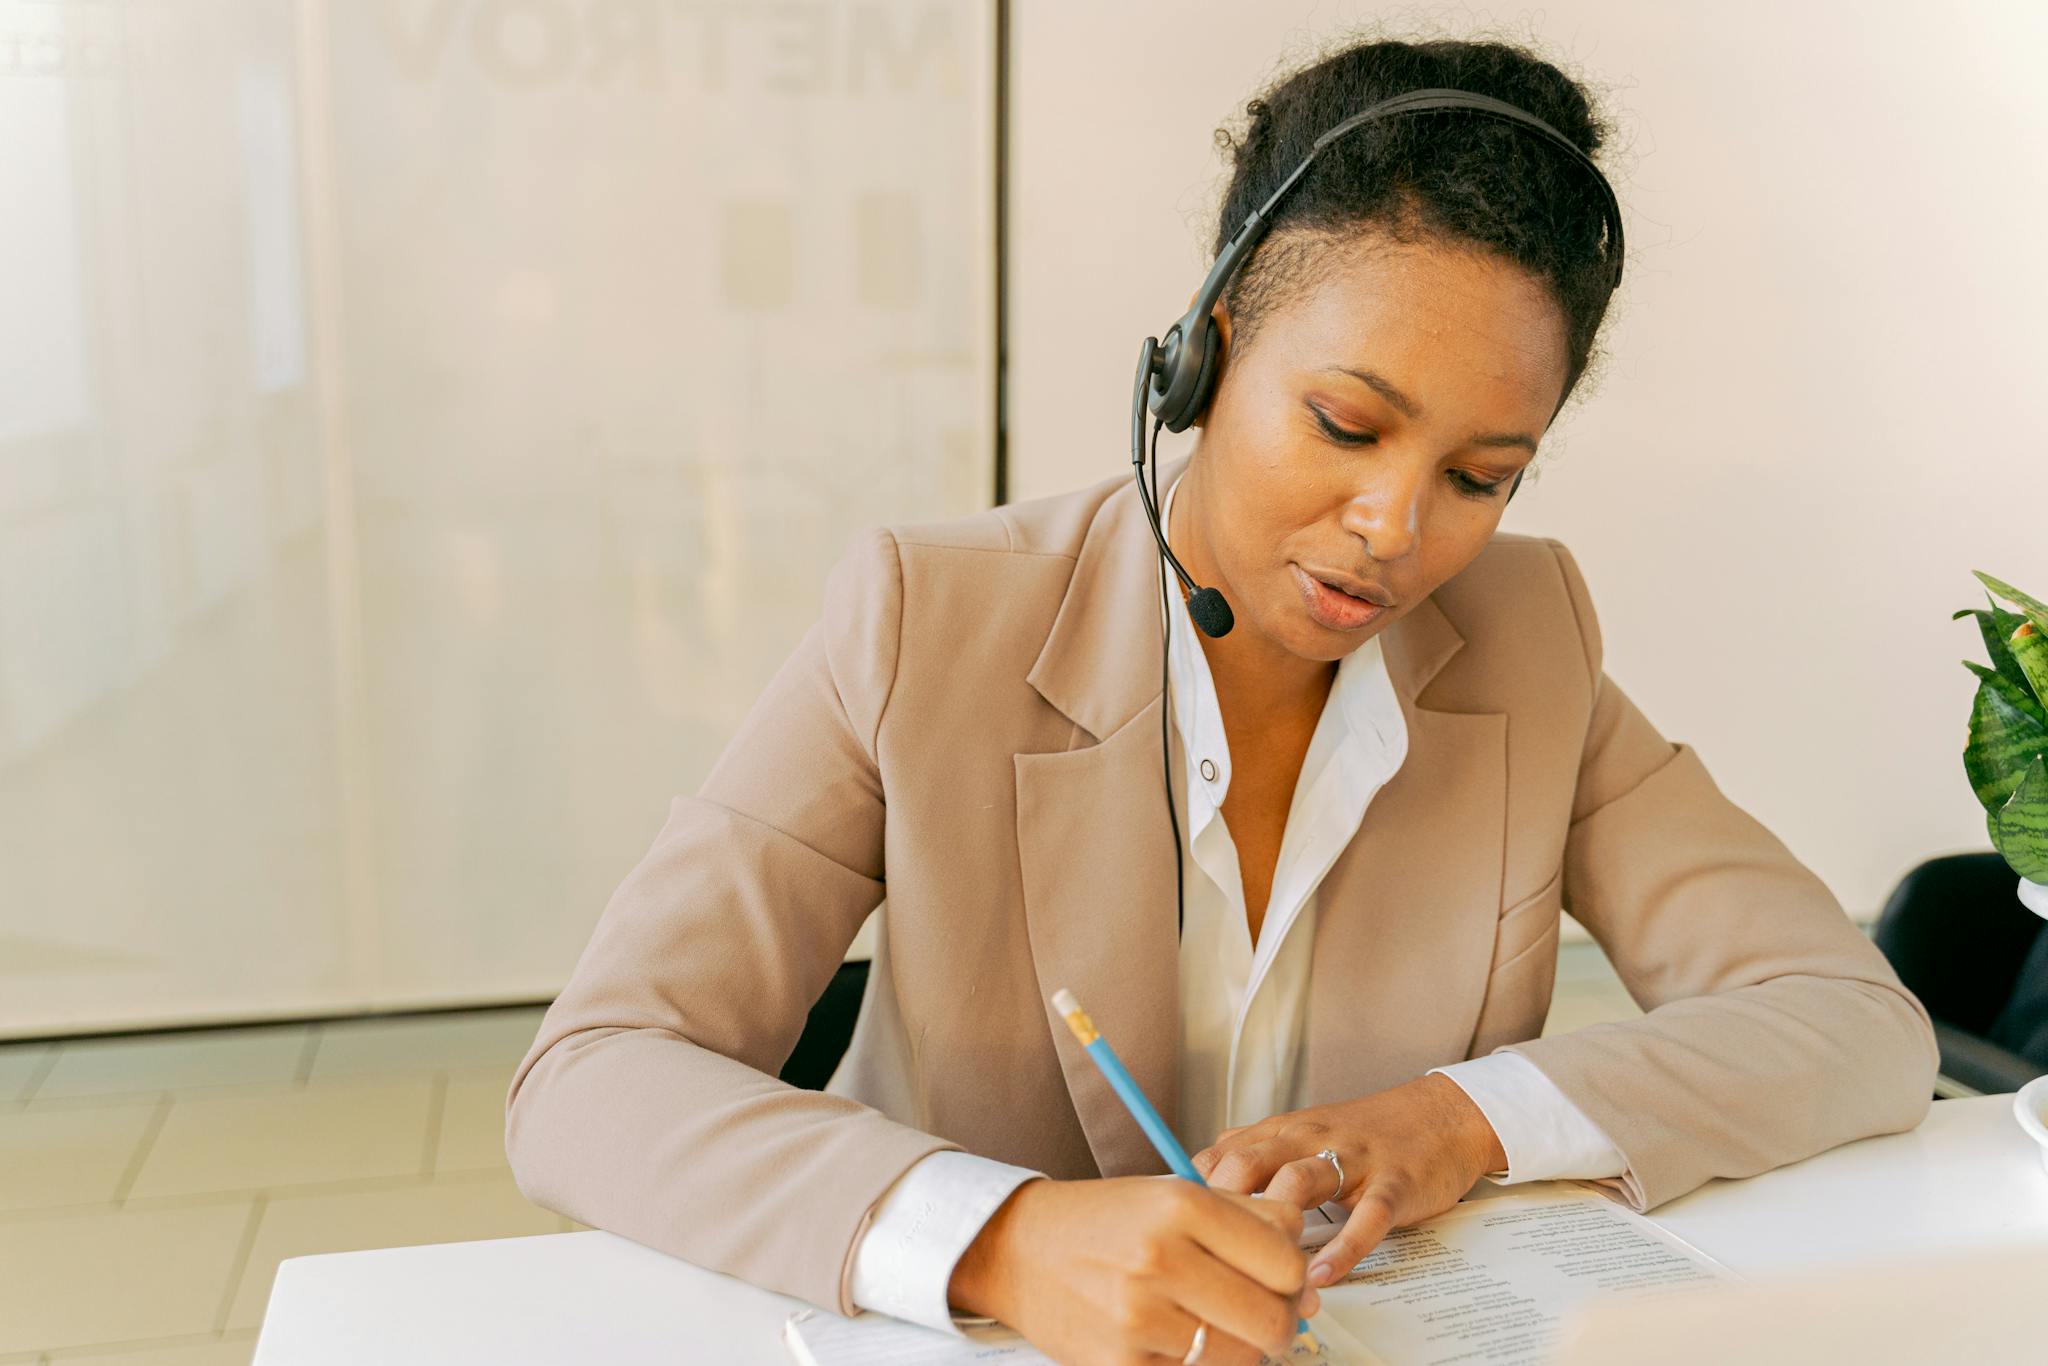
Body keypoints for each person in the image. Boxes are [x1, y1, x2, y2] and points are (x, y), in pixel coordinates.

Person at [505, 33, 1938, 1366]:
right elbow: (591, 1075)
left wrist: (1457, 1121)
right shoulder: (922, 621)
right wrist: (1000, 1240)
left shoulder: (1527, 640)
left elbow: (1851, 1017)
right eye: (1347, 423)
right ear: (1206, 348)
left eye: (1478, 475)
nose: (1395, 524)